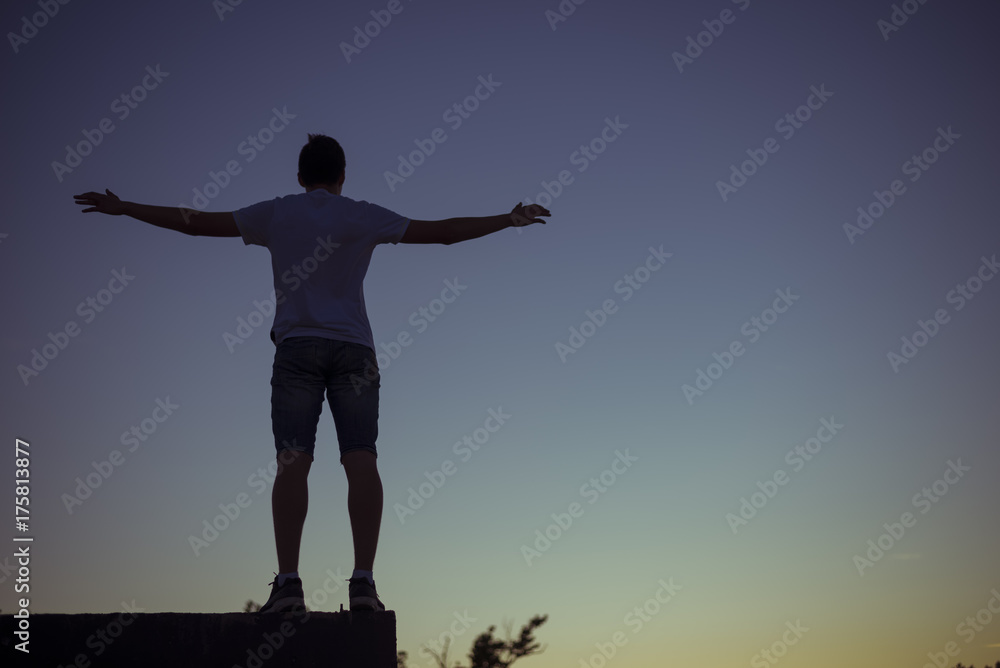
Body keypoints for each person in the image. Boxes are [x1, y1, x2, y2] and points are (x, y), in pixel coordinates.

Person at [73, 133, 550, 614]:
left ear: (300, 178)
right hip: (355, 351)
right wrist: (508, 219)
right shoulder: (361, 214)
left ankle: (288, 585)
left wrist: (126, 207)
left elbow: (194, 224)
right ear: (343, 177)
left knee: (292, 461)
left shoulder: (278, 212)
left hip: (297, 348)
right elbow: (443, 233)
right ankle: (363, 584)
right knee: (361, 458)